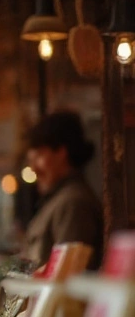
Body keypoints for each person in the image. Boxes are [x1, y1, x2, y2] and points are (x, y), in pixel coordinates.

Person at [23, 111, 104, 269]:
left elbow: (66, 277)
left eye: (39, 156)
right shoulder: (60, 200)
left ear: (61, 152)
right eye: (30, 161)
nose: (33, 169)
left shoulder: (73, 202)